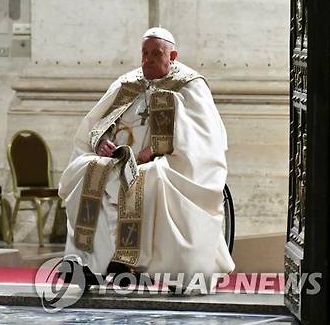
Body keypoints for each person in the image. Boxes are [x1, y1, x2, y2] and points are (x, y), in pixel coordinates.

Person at [59, 27, 235, 290]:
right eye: (144, 53)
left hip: (167, 163)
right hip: (117, 161)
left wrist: (157, 149)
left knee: (146, 177)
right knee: (88, 169)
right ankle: (88, 263)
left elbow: (204, 137)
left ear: (172, 55)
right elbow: (97, 123)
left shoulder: (190, 85)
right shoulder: (128, 82)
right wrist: (102, 142)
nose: (148, 60)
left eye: (156, 54)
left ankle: (130, 263)